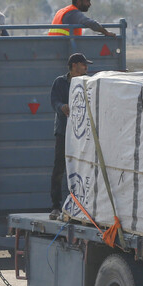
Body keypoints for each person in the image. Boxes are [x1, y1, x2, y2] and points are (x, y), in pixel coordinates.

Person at [49, 53, 90, 219]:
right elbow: (54, 101)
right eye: (83, 65)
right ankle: (56, 206)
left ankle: (82, 205)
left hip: (82, 136)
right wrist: (62, 107)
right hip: (64, 132)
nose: (86, 68)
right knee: (59, 169)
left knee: (84, 168)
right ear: (74, 66)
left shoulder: (87, 82)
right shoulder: (60, 82)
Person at [48, 0, 117, 38]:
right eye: (87, 1)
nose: (89, 4)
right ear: (78, 1)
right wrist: (106, 32)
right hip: (64, 50)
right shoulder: (73, 13)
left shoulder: (62, 11)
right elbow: (90, 23)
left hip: (54, 47)